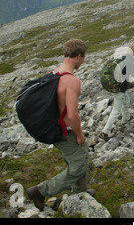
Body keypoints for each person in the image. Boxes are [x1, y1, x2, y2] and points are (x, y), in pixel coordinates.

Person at [26, 39, 92, 211]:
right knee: (79, 166)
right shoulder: (71, 80)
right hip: (65, 131)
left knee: (77, 159)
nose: (83, 61)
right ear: (78, 56)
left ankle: (80, 195)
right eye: (84, 57)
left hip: (53, 128)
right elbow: (72, 114)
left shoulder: (54, 73)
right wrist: (79, 134)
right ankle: (40, 191)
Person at [100, 45, 134, 141]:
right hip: (119, 89)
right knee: (116, 110)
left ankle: (125, 119)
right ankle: (104, 132)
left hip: (114, 86)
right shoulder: (130, 62)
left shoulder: (120, 59)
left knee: (126, 99)